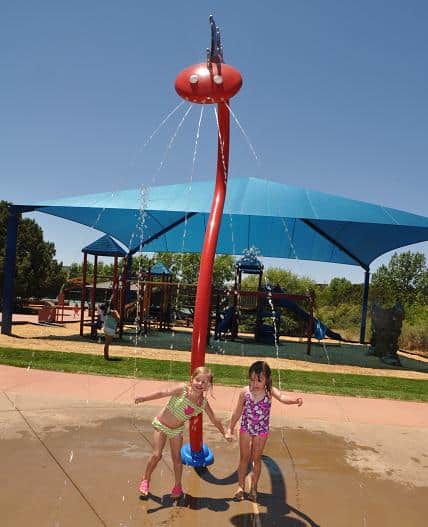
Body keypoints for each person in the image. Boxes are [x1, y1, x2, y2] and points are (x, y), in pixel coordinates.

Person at [135, 366, 232, 499]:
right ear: (191, 379)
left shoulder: (202, 403)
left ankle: (177, 486)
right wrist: (144, 398)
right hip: (161, 425)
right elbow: (162, 393)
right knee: (157, 455)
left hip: (176, 430)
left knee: (177, 459)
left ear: (208, 386)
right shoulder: (182, 390)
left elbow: (214, 419)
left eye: (204, 382)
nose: (200, 384)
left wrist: (224, 432)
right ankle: (146, 479)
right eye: (198, 380)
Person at [226, 360, 303, 502]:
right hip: (246, 428)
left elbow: (282, 397)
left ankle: (254, 488)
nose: (255, 384)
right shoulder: (245, 392)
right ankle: (240, 486)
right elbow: (237, 412)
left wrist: (294, 400)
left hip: (261, 430)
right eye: (252, 379)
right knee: (244, 458)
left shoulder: (269, 391)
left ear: (267, 379)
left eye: (259, 380)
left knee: (256, 459)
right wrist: (230, 428)